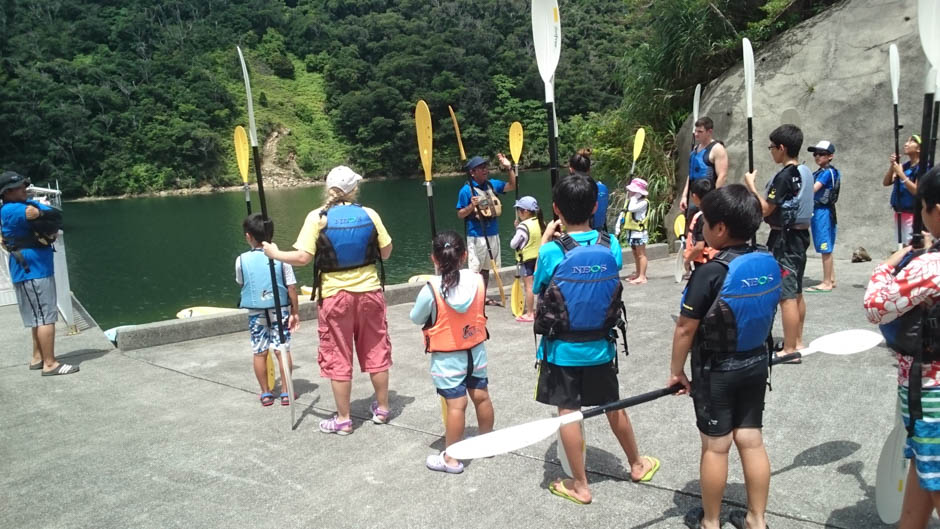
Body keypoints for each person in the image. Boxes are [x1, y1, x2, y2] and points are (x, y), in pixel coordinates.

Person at [533, 173, 659, 505]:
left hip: (561, 349)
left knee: (569, 412)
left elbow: (538, 291)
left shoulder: (550, 252)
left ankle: (580, 484)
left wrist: (548, 236)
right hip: (601, 345)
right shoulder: (611, 244)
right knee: (612, 405)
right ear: (594, 206)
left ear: (556, 208)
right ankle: (635, 462)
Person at [668, 184, 781, 529]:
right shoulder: (767, 260)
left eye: (705, 223)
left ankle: (711, 522)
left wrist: (676, 372)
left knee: (716, 447)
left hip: (717, 371)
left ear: (719, 229)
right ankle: (756, 520)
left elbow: (686, 328)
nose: (701, 229)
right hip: (756, 362)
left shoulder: (711, 272)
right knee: (751, 438)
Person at [263, 165, 393, 435]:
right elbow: (387, 252)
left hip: (335, 297)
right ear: (354, 189)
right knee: (376, 349)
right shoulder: (369, 214)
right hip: (370, 293)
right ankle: (382, 409)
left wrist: (275, 253)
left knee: (338, 355)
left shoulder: (317, 217)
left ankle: (344, 420)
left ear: (329, 188)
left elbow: (302, 258)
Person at [864, 166, 940, 529]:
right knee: (924, 474)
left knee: (936, 476)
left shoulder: (929, 267)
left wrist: (888, 265)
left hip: (931, 391)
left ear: (935, 210)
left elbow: (876, 307)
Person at [410, 231, 494, 474]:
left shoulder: (431, 289)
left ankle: (451, 459)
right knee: (482, 397)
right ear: (464, 255)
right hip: (475, 351)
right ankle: (486, 444)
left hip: (448, 358)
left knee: (457, 405)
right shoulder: (478, 280)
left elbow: (416, 317)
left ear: (434, 259)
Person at [0, 171, 77, 376]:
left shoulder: (16, 207)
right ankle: (50, 364)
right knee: (45, 318)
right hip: (32, 270)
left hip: (30, 270)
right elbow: (50, 214)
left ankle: (38, 358)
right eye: (19, 187)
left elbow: (53, 213)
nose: (24, 189)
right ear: (7, 192)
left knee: (38, 317)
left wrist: (41, 213)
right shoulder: (13, 209)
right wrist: (42, 212)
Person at [744, 124, 810, 359]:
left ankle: (790, 348)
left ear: (782, 148)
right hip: (799, 237)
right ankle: (798, 340)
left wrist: (751, 185)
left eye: (772, 147)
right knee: (798, 290)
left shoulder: (785, 176)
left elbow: (764, 209)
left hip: (785, 239)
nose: (771, 151)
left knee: (786, 295)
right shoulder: (804, 171)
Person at [236, 213, 300, 406]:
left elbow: (241, 282)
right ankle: (286, 392)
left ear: (248, 236)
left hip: (256, 311)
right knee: (282, 349)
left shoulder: (241, 259)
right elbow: (291, 288)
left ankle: (265, 393)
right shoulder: (282, 258)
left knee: (259, 351)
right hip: (279, 309)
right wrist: (295, 312)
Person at [456, 154, 517, 303]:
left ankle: (482, 296)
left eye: (485, 167)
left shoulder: (491, 185)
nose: (485, 170)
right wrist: (472, 206)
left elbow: (512, 185)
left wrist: (509, 168)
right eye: (481, 168)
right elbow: (460, 214)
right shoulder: (466, 190)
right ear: (472, 172)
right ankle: (474, 297)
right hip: (476, 235)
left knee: (486, 269)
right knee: (475, 269)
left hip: (493, 232)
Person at [806, 140, 841, 293]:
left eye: (821, 154)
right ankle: (831, 278)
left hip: (822, 211)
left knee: (824, 247)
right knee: (826, 245)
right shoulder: (821, 172)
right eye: (815, 154)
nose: (817, 157)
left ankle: (826, 282)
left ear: (830, 156)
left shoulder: (827, 173)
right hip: (823, 211)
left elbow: (813, 189)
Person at [679, 116, 729, 214]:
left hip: (709, 198)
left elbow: (722, 176)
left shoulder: (717, 149)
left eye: (700, 132)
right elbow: (690, 174)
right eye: (696, 131)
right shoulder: (695, 149)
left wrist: (714, 199)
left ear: (709, 131)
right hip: (695, 198)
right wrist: (684, 196)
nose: (696, 134)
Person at [509, 196, 544, 323]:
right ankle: (540, 310)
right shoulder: (540, 222)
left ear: (525, 211)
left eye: (519, 210)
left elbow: (513, 244)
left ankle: (530, 313)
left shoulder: (523, 226)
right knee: (540, 285)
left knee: (529, 287)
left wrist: (517, 229)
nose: (518, 213)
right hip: (539, 258)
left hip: (527, 260)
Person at [883, 135, 922, 246]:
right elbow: (886, 182)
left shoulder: (922, 167)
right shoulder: (905, 166)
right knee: (903, 246)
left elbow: (917, 191)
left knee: (913, 246)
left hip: (913, 214)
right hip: (900, 212)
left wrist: (901, 174)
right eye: (907, 141)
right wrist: (892, 166)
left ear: (919, 149)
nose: (906, 144)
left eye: (911, 142)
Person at [568, 148, 609, 231]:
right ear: (589, 170)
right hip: (600, 236)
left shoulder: (569, 190)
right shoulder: (603, 188)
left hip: (577, 236)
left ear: (571, 169)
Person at [683, 178, 718, 269]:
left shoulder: (701, 218)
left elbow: (699, 246)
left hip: (705, 264)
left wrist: (687, 260)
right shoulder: (719, 212)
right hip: (719, 259)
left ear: (694, 196)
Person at [621, 178, 650, 285]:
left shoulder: (643, 202)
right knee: (635, 254)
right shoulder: (632, 201)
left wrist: (633, 197)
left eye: (633, 191)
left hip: (639, 232)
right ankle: (638, 273)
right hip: (632, 232)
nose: (630, 192)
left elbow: (632, 208)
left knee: (641, 254)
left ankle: (642, 276)